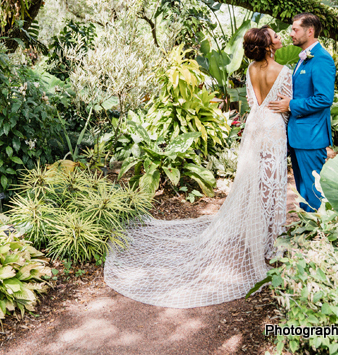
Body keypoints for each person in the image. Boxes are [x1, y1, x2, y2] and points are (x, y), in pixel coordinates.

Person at [103, 26, 292, 308]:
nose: (280, 37)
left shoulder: (251, 69)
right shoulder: (284, 71)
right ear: (267, 45)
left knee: (252, 179)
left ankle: (257, 234)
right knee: (272, 182)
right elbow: (285, 106)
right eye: (274, 35)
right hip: (273, 128)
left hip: (254, 126)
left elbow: (254, 102)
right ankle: (269, 242)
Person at [269, 13, 335, 212]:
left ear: (310, 31)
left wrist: (291, 105)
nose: (291, 34)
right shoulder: (303, 59)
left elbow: (324, 99)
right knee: (303, 190)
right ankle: (308, 232)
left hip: (311, 137)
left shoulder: (322, 59)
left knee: (315, 190)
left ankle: (319, 234)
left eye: (295, 29)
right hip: (298, 136)